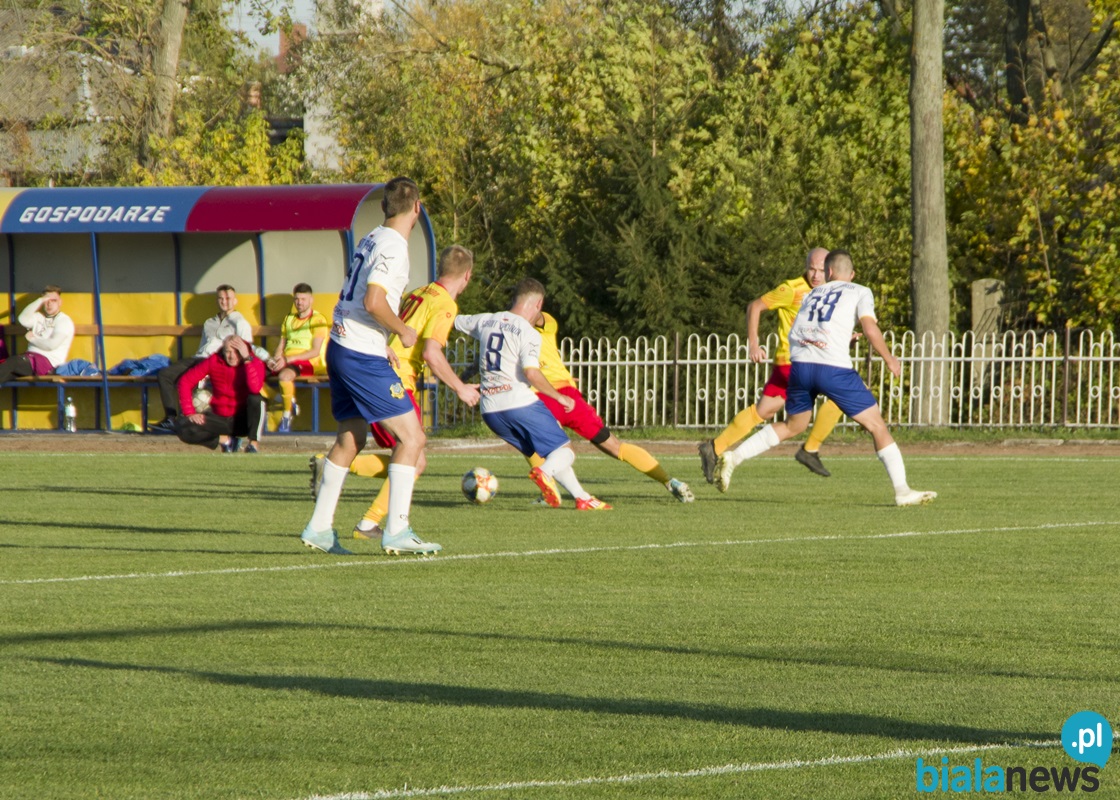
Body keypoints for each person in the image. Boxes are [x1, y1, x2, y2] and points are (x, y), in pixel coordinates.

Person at [715, 249, 936, 507]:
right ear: (851, 274)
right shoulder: (860, 291)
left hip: (801, 367)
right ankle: (902, 491)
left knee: (793, 426)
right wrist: (889, 358)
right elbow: (869, 328)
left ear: (829, 272)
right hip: (833, 370)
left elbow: (801, 330)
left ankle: (734, 457)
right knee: (877, 426)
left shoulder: (812, 293)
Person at [300, 176, 439, 556]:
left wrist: (381, 344)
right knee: (413, 439)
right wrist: (403, 331)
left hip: (343, 347)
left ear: (384, 207)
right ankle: (397, 530)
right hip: (360, 354)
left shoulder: (372, 237)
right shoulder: (394, 246)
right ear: (417, 207)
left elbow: (360, 298)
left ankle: (319, 527)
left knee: (351, 438)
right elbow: (375, 301)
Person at [309, 245, 481, 540]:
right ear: (467, 275)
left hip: (375, 367)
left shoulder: (419, 292)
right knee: (415, 456)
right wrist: (460, 387)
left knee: (390, 449)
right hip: (394, 379)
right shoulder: (445, 304)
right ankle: (369, 523)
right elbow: (431, 353)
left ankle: (338, 472)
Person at [455, 278, 611, 511]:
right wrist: (560, 397)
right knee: (566, 452)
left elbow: (452, 319)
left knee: (552, 451)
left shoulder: (485, 320)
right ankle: (544, 473)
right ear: (539, 304)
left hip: (491, 411)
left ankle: (582, 497)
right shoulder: (528, 332)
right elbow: (531, 373)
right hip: (518, 402)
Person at [698, 248, 845, 483]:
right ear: (805, 267)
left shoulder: (828, 292)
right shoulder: (792, 289)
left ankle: (714, 448)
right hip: (795, 364)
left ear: (829, 270)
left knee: (764, 411)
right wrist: (753, 344)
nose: (816, 275)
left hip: (795, 365)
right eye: (812, 269)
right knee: (843, 394)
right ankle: (811, 449)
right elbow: (755, 306)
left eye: (820, 270)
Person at [525, 310, 694, 503]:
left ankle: (549, 493)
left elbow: (535, 317)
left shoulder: (524, 326)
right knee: (614, 446)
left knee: (534, 446)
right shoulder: (530, 326)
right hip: (567, 395)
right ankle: (669, 481)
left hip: (542, 397)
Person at [151, 285, 263, 434]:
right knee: (164, 374)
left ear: (235, 301)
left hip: (217, 362)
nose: (224, 302)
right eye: (221, 298)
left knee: (191, 380)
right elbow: (203, 346)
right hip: (198, 358)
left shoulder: (240, 323)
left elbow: (246, 349)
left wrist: (220, 368)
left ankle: (188, 421)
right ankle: (170, 418)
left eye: (228, 298)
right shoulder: (209, 322)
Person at [174, 335, 267, 452]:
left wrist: (247, 359)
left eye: (236, 352)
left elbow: (254, 388)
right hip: (219, 418)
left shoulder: (255, 362)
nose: (232, 356)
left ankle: (253, 444)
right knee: (183, 428)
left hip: (243, 420)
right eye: (228, 351)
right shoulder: (214, 361)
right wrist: (190, 413)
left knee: (257, 399)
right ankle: (227, 441)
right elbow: (185, 381)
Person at [267, 283, 329, 432]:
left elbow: (315, 351)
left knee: (284, 376)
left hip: (308, 362)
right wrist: (276, 358)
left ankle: (286, 416)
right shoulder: (289, 319)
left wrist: (288, 359)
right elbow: (281, 344)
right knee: (253, 371)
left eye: (303, 299)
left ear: (311, 300)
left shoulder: (318, 319)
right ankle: (284, 399)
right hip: (287, 360)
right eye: (296, 299)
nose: (299, 303)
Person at [0, 286, 75, 382]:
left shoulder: (64, 321)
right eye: (46, 300)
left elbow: (51, 345)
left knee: (13, 363)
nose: (49, 304)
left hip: (49, 364)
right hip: (29, 360)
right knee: (6, 372)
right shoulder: (39, 317)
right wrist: (40, 300)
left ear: (60, 302)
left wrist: (33, 339)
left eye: (54, 300)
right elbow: (23, 319)